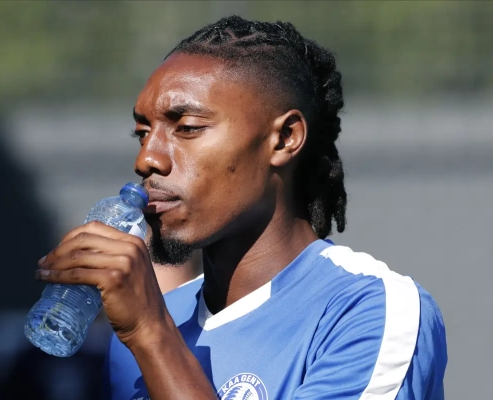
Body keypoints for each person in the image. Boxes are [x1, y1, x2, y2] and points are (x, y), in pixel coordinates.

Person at [34, 16, 447, 399]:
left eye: (187, 128)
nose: (147, 159)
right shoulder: (140, 333)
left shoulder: (369, 310)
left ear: (284, 139)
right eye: (142, 133)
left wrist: (151, 334)